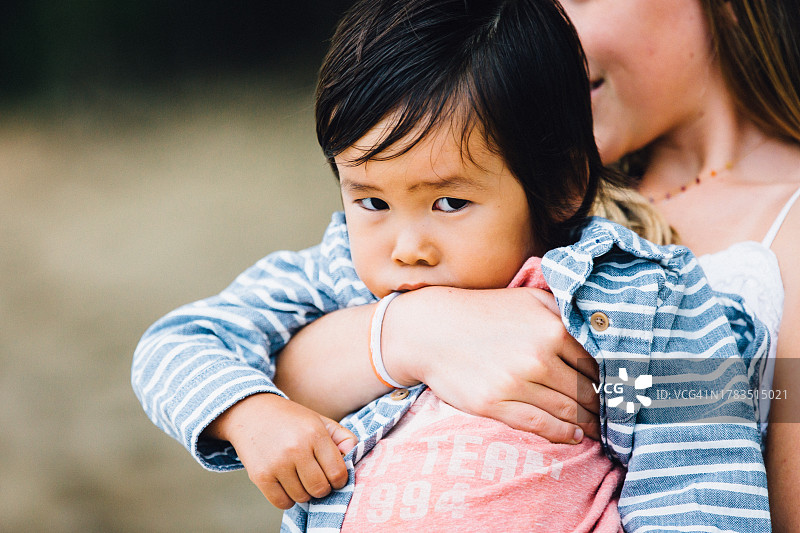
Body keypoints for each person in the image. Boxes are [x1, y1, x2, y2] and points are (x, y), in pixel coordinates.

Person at [132, 0, 771, 531]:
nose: (408, 245)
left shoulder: (640, 303)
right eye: (373, 200)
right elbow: (176, 344)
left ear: (560, 184)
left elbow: (698, 487)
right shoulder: (334, 275)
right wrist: (250, 414)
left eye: (450, 201)